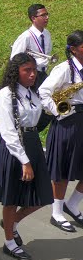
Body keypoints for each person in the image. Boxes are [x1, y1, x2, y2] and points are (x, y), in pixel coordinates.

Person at [0, 52, 53, 260]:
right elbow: (9, 132)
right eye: (26, 70)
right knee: (11, 198)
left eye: (34, 70)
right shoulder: (6, 95)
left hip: (32, 143)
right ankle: (9, 242)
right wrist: (24, 161)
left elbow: (38, 116)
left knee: (43, 195)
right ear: (15, 72)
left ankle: (12, 223)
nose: (32, 74)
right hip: (14, 150)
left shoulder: (32, 93)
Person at [39, 30, 83, 233]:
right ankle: (57, 211)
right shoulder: (65, 69)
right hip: (68, 121)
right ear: (73, 49)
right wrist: (59, 111)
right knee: (63, 168)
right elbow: (44, 91)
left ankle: (72, 204)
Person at [10, 4, 54, 132]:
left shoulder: (47, 34)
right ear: (33, 18)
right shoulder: (26, 37)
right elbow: (15, 58)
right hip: (30, 76)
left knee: (49, 105)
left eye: (47, 15)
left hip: (42, 74)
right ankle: (24, 130)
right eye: (43, 15)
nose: (46, 18)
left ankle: (34, 130)